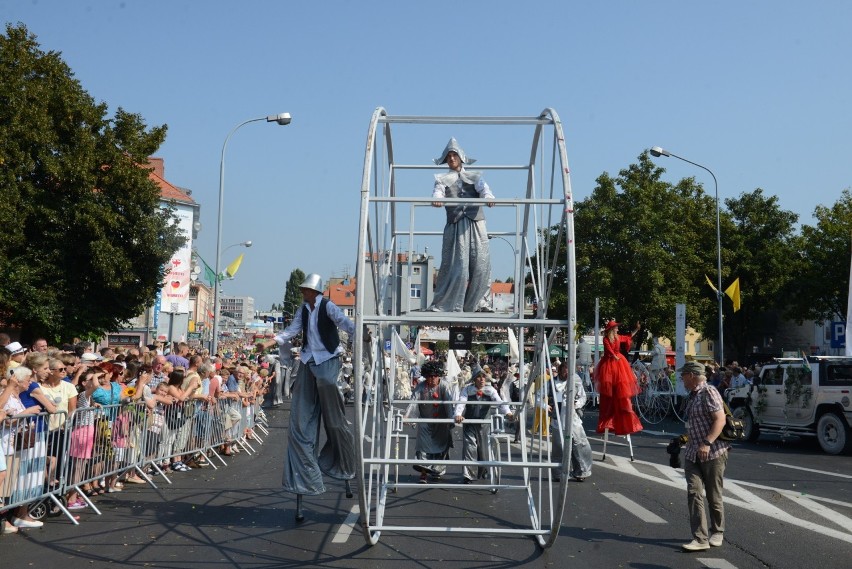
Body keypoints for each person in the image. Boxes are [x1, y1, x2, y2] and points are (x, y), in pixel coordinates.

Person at [256, 273, 356, 516]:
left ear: (316, 291)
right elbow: (292, 330)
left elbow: (345, 323)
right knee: (301, 419)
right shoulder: (303, 309)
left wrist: (359, 334)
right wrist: (271, 342)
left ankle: (339, 457)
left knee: (327, 388)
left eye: (306, 290)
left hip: (329, 358)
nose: (302, 293)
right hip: (310, 359)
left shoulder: (328, 306)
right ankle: (306, 478)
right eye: (302, 290)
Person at [428, 137, 494, 312]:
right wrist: (437, 200)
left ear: (461, 157)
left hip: (476, 223)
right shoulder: (442, 179)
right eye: (448, 157)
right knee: (455, 265)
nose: (451, 159)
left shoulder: (474, 176)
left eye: (454, 155)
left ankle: (480, 303)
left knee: (481, 262)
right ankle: (447, 303)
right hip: (456, 225)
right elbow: (438, 193)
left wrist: (488, 198)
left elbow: (484, 189)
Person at [679, 361, 731, 552]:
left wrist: (707, 442)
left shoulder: (709, 392)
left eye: (683, 375)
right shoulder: (692, 396)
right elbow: (695, 425)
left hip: (713, 451)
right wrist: (683, 440)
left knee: (713, 494)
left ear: (692, 375)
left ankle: (717, 531)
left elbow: (720, 419)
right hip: (693, 452)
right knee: (694, 492)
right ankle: (700, 538)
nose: (681, 378)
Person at [454, 365, 512, 483]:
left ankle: (483, 470)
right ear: (474, 379)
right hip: (470, 423)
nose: (482, 380)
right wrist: (458, 414)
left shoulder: (490, 390)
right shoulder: (467, 390)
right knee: (470, 448)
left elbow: (499, 402)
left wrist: (508, 413)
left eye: (484, 377)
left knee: (483, 450)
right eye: (479, 377)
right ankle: (468, 475)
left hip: (484, 424)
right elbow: (461, 402)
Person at [405, 359, 456, 483]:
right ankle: (423, 472)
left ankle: (437, 470)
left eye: (435, 376)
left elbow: (449, 404)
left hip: (441, 422)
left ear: (439, 376)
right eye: (429, 376)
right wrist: (407, 416)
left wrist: (450, 420)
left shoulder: (444, 386)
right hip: (426, 421)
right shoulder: (421, 386)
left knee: (441, 446)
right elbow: (413, 401)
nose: (432, 378)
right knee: (423, 447)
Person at [594, 320, 643, 435]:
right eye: (615, 327)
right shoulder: (606, 339)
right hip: (609, 363)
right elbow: (608, 349)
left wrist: (636, 329)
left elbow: (628, 337)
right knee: (609, 388)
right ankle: (608, 419)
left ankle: (623, 416)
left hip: (618, 362)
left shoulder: (618, 337)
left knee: (621, 386)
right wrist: (613, 356)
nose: (617, 329)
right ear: (611, 329)